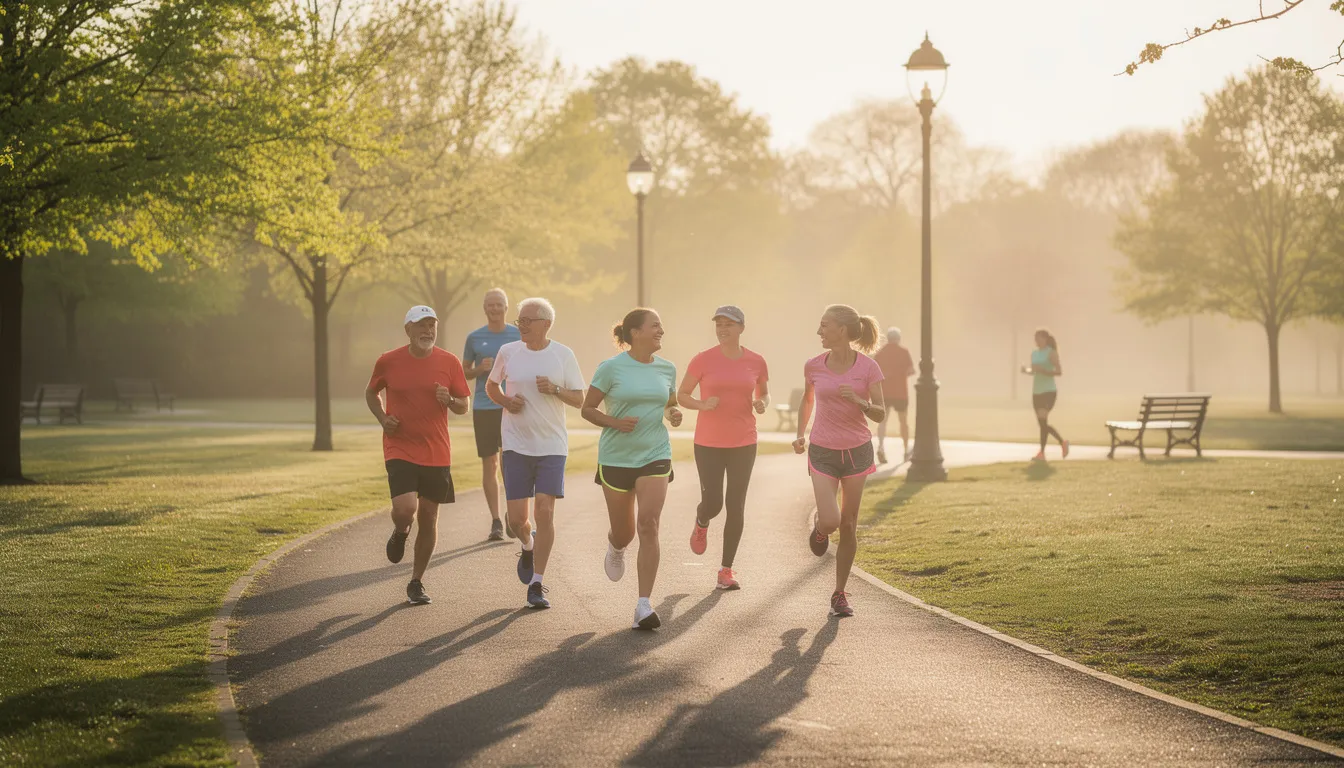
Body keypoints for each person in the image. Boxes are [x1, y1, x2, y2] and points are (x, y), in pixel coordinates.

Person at [582, 308, 682, 630]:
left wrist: (674, 414)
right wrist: (614, 422)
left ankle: (643, 604)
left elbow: (669, 403)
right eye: (656, 326)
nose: (661, 331)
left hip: (655, 453)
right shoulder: (611, 368)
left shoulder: (667, 369)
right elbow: (587, 409)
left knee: (649, 524)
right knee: (625, 532)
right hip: (616, 457)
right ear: (635, 333)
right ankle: (616, 545)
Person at [365, 305, 471, 605]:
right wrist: (383, 419)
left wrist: (448, 399)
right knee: (405, 509)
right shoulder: (388, 361)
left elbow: (464, 404)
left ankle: (416, 582)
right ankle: (400, 531)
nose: (427, 331)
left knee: (428, 516)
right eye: (421, 325)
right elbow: (371, 393)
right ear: (408, 330)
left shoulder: (448, 362)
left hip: (437, 451)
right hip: (399, 444)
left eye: (431, 325)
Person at [485, 297, 585, 609]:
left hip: (552, 446)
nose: (521, 326)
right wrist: (505, 402)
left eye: (527, 320)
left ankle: (537, 584)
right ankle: (527, 545)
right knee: (517, 521)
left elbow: (580, 399)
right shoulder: (508, 352)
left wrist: (555, 389)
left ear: (545, 323)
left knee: (545, 510)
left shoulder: (563, 354)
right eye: (520, 321)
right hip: (516, 444)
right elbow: (491, 387)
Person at [792, 304, 886, 619]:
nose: (819, 332)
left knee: (848, 525)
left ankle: (839, 593)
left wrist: (860, 402)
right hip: (823, 450)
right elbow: (807, 399)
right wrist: (799, 433)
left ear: (841, 330)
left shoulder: (869, 367)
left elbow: (880, 412)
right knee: (831, 521)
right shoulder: (813, 366)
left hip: (858, 451)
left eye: (824, 326)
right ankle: (820, 530)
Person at [676, 305, 769, 591]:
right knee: (714, 502)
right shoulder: (702, 360)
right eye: (719, 324)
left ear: (741, 328)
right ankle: (702, 519)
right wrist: (702, 404)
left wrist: (761, 402)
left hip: (744, 440)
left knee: (736, 504)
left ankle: (725, 570)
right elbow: (682, 395)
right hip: (709, 442)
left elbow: (762, 390)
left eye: (729, 324)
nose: (722, 329)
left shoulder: (756, 361)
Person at [462, 288, 521, 541]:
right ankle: (496, 521)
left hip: (511, 406)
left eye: (499, 304)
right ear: (485, 308)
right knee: (490, 463)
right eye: (490, 305)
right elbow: (464, 373)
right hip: (484, 408)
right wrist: (479, 369)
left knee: (510, 462)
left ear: (506, 307)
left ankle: (512, 514)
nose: (494, 309)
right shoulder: (474, 338)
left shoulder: (517, 335)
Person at [1021, 328, 1069, 461]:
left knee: (1043, 421)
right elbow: (1033, 371)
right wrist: (1026, 370)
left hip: (1048, 391)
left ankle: (1042, 452)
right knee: (1042, 424)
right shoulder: (1034, 353)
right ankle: (1062, 443)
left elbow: (1059, 372)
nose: (1036, 340)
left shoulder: (1051, 353)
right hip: (1036, 392)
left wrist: (1044, 371)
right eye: (1035, 338)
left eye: (1038, 338)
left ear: (1045, 339)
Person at [872, 327, 915, 465]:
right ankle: (906, 450)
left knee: (882, 421)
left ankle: (881, 447)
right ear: (898, 338)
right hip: (900, 392)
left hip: (884, 392)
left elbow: (874, 373)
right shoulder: (904, 352)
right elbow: (911, 370)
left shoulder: (880, 353)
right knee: (903, 421)